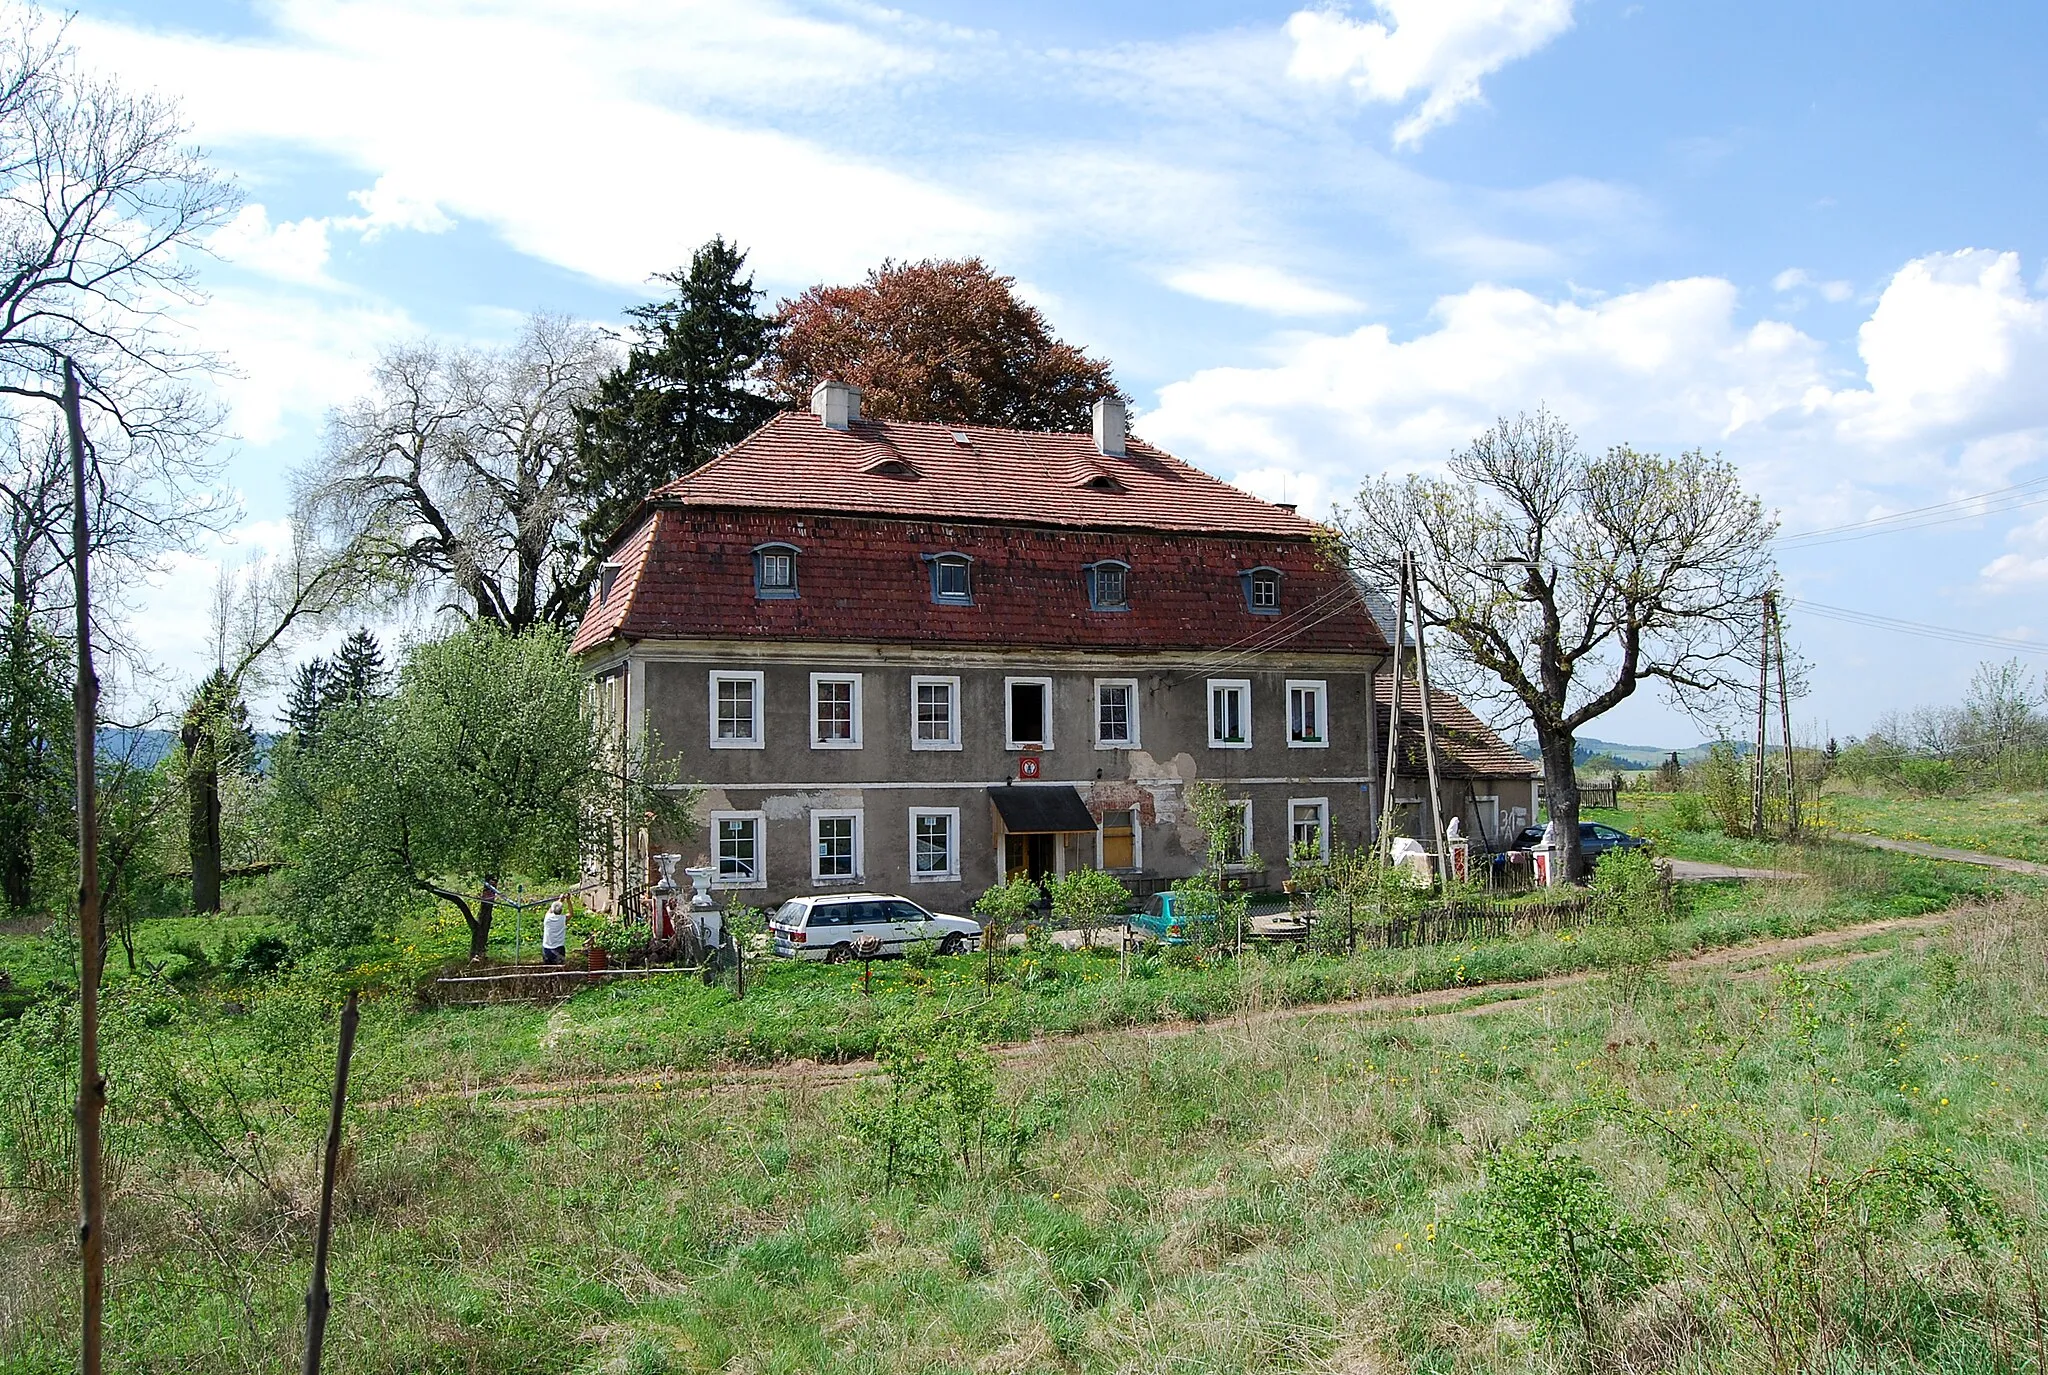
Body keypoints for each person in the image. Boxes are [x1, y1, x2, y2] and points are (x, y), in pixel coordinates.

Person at [541, 897, 568, 966]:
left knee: (547, 969)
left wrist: (560, 900)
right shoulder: (563, 919)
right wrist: (568, 900)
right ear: (561, 910)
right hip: (559, 948)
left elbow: (551, 909)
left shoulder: (547, 918)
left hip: (546, 949)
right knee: (560, 969)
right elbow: (571, 913)